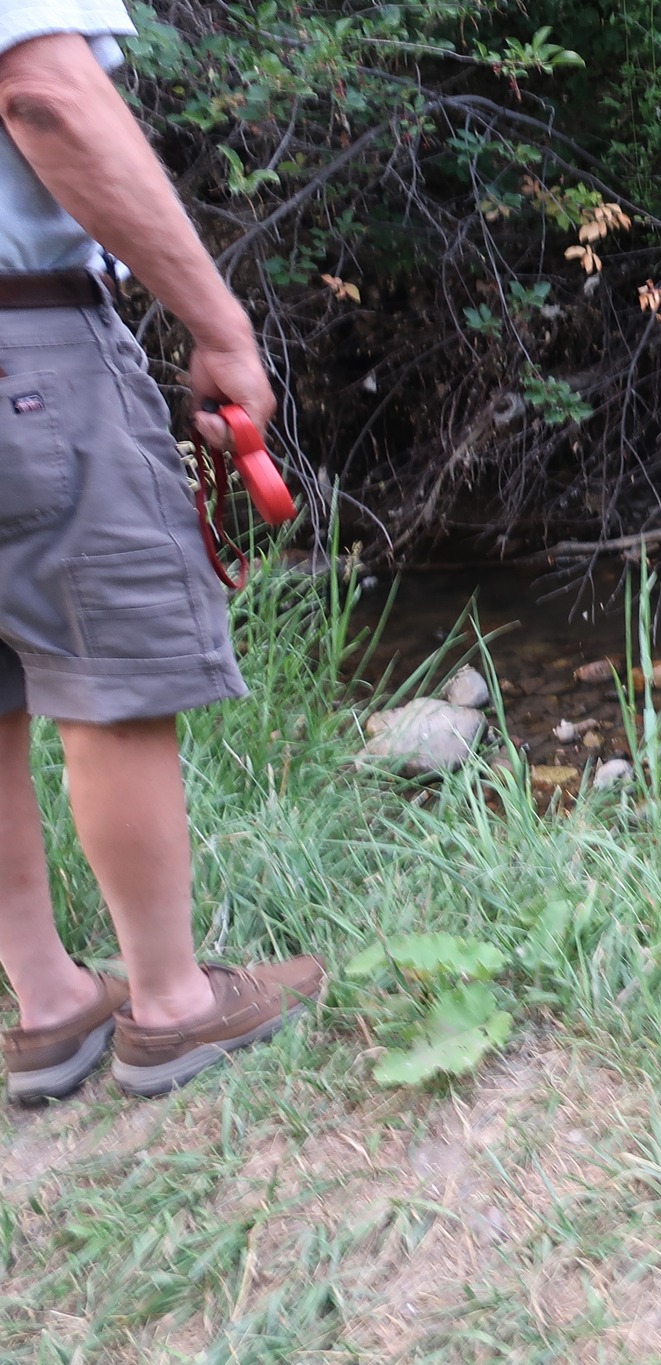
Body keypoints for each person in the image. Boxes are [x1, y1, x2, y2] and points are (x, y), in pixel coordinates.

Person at [0, 4, 323, 1102]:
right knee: (111, 673)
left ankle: (47, 1005)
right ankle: (175, 1004)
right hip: (27, 350)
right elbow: (46, 96)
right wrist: (219, 325)